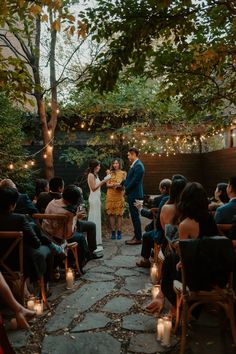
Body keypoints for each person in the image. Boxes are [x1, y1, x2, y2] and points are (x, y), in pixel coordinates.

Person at [0, 187, 52, 290]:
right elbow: (36, 243)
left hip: (2, 261)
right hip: (19, 262)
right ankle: (44, 286)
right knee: (47, 249)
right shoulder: (19, 219)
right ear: (12, 205)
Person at [42, 184, 94, 271]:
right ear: (72, 201)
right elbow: (69, 235)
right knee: (80, 238)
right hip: (58, 239)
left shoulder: (52, 203)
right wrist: (75, 217)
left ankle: (75, 261)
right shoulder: (69, 213)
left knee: (81, 236)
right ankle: (78, 266)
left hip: (46, 235)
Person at [87, 159, 111, 254]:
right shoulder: (90, 175)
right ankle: (93, 242)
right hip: (93, 199)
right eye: (98, 165)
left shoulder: (96, 175)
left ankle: (97, 241)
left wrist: (105, 179)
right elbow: (93, 188)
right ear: (95, 166)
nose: (100, 167)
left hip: (97, 198)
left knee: (97, 219)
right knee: (93, 218)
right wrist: (104, 181)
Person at [124, 147, 145, 245]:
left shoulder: (139, 166)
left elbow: (135, 181)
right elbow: (130, 179)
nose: (128, 156)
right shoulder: (135, 165)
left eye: (129, 155)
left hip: (135, 194)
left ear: (133, 154)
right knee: (134, 216)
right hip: (133, 194)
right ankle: (137, 235)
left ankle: (138, 238)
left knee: (135, 217)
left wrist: (126, 190)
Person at [105, 158, 126, 240]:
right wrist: (115, 184)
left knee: (120, 215)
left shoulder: (123, 173)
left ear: (119, 164)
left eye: (117, 163)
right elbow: (107, 184)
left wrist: (121, 186)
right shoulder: (109, 172)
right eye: (114, 163)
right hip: (110, 195)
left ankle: (119, 232)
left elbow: (124, 185)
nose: (115, 165)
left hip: (119, 195)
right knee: (111, 214)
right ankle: (113, 232)